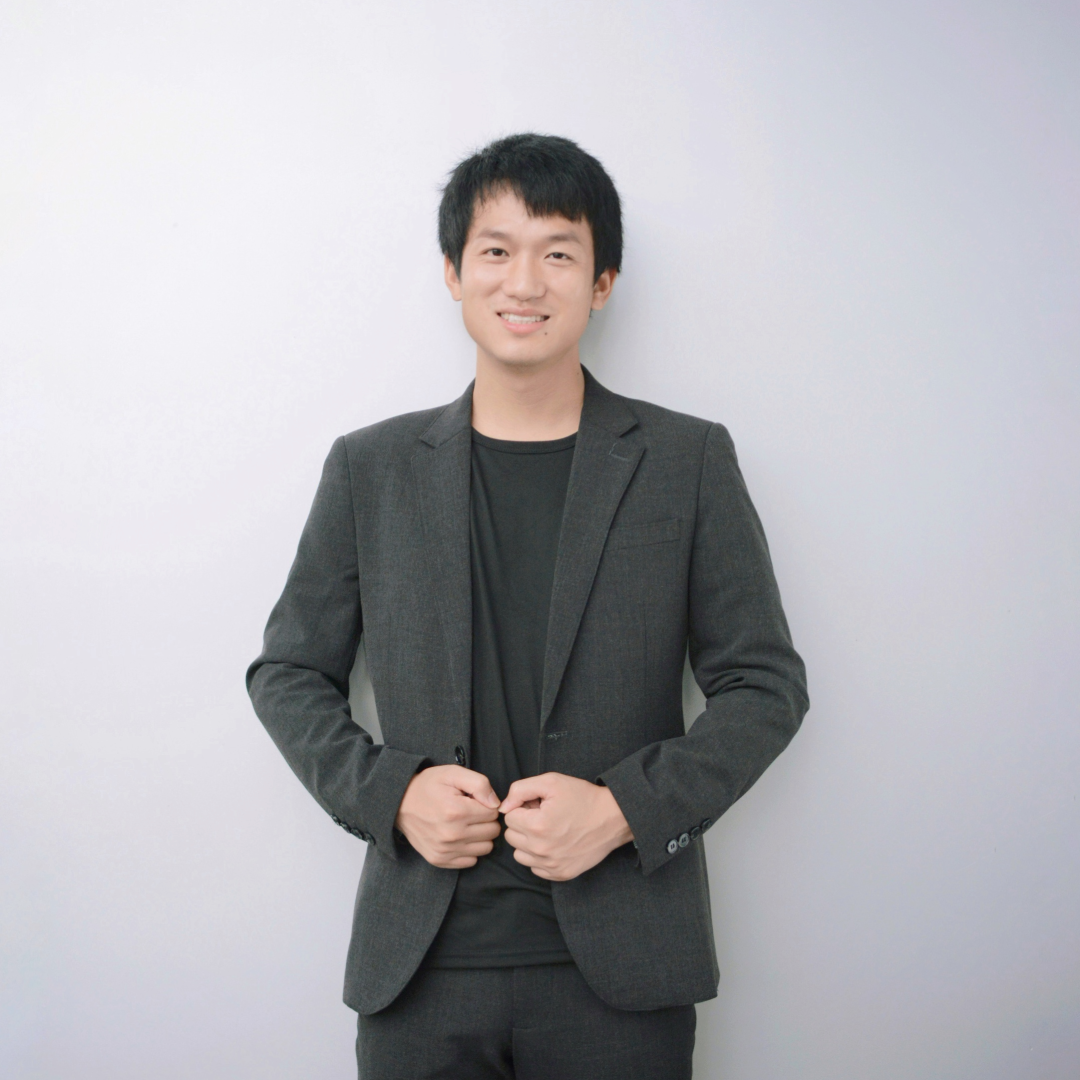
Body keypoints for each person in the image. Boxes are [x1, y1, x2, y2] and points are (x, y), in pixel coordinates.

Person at [247, 133, 808, 1080]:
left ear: (601, 282)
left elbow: (765, 686)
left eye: (558, 253)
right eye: (497, 250)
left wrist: (625, 810)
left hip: (622, 976)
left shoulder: (687, 461)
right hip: (421, 972)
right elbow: (288, 672)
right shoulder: (370, 469)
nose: (524, 281)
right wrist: (393, 795)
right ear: (453, 273)